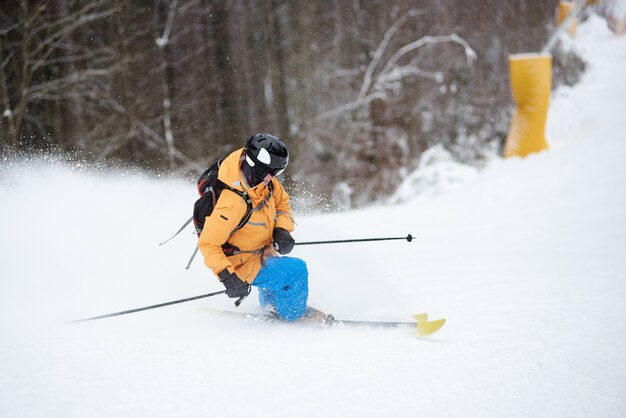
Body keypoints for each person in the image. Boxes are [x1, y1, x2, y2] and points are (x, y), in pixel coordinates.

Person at [197, 133, 328, 322]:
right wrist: (228, 278)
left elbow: (282, 203)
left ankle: (271, 305)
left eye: (277, 173)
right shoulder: (232, 203)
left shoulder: (264, 182)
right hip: (242, 263)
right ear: (256, 166)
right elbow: (208, 244)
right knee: (296, 271)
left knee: (278, 272)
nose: (273, 177)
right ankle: (293, 314)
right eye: (272, 172)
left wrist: (281, 230)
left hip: (262, 251)